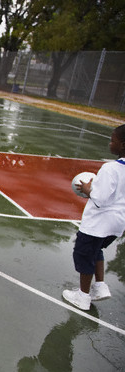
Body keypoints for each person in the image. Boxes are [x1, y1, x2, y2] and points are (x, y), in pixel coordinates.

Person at [63, 124, 125, 310]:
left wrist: (89, 190)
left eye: (112, 140)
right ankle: (100, 286)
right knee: (96, 250)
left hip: (98, 223)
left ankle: (82, 296)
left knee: (83, 254)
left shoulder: (110, 169)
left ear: (122, 144)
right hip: (117, 223)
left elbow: (101, 198)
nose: (109, 143)